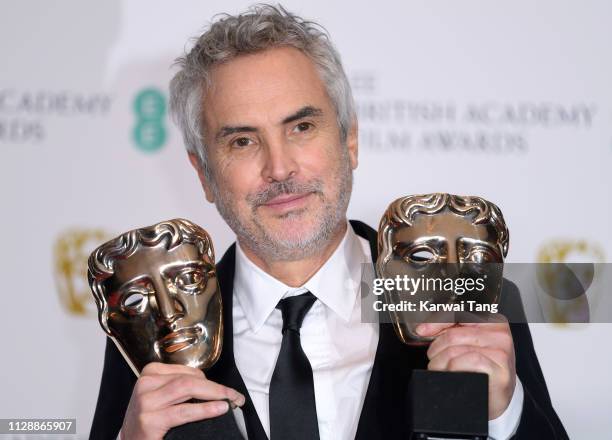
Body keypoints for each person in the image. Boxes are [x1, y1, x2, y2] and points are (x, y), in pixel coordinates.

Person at [90, 5, 567, 440]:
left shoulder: (458, 294)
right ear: (204, 174)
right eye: (242, 141)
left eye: (301, 127)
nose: (279, 168)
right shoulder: (153, 329)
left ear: (350, 140)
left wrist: (504, 416)